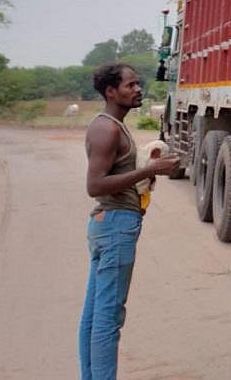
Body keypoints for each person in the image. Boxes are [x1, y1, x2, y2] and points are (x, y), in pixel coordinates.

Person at [79, 63, 178, 380]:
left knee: (95, 316)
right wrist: (150, 171)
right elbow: (95, 185)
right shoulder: (107, 128)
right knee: (107, 318)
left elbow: (115, 176)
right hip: (115, 227)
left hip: (110, 224)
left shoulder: (111, 125)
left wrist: (142, 176)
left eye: (138, 84)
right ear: (111, 91)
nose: (138, 89)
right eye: (130, 85)